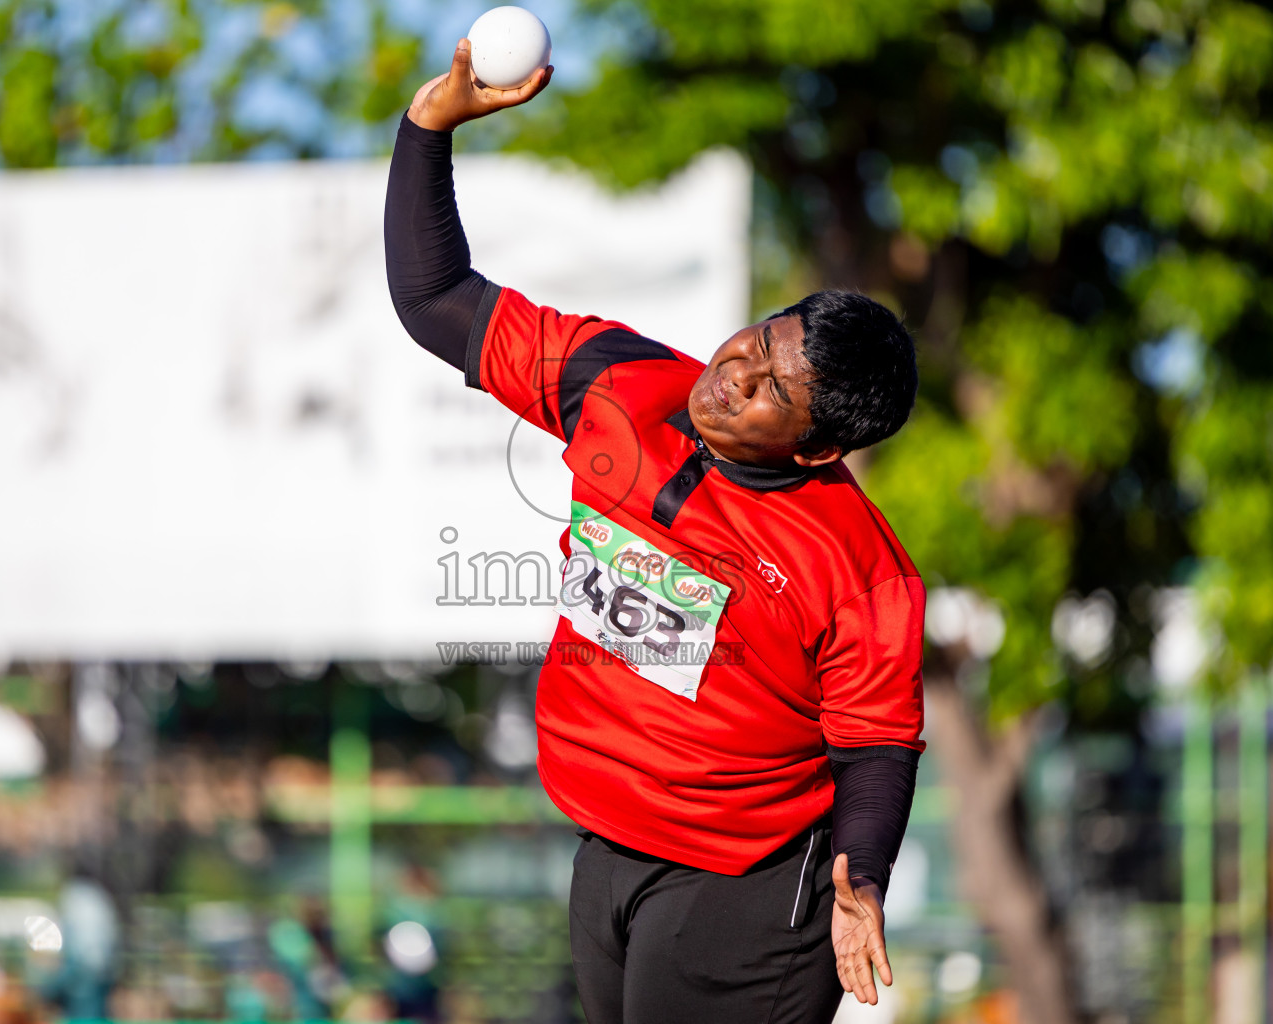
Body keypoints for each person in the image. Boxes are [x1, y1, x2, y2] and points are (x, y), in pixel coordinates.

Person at [386, 40, 925, 1024]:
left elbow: (877, 748)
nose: (736, 375)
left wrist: (864, 879)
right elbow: (434, 301)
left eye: (771, 392)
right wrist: (428, 128)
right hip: (608, 846)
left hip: (748, 886)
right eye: (759, 340)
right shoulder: (625, 383)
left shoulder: (856, 566)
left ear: (815, 451)